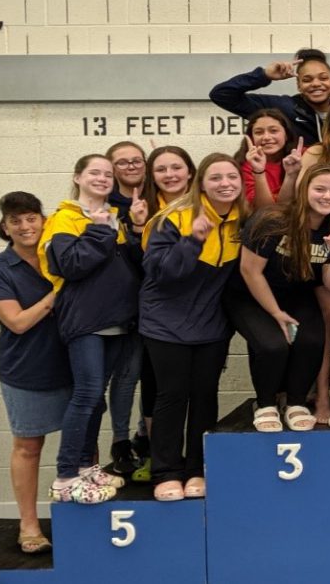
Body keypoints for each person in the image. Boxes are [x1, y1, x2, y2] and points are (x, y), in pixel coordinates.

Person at [140, 153, 246, 500]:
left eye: (231, 177)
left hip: (211, 325)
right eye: (215, 178)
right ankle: (166, 471)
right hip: (165, 322)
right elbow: (163, 273)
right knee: (172, 395)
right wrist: (194, 239)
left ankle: (197, 469)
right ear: (200, 182)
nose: (225, 184)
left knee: (204, 395)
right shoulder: (173, 218)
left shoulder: (242, 220)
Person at [39, 154, 142, 504]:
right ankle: (66, 476)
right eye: (94, 173)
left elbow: (128, 266)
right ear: (78, 177)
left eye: (108, 174)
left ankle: (85, 467)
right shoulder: (64, 219)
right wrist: (98, 230)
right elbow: (70, 265)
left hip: (116, 321)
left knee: (95, 399)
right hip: (85, 321)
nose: (102, 178)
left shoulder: (114, 218)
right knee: (85, 396)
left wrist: (135, 231)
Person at [231, 163, 330, 432]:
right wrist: (275, 313)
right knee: (274, 345)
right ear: (304, 189)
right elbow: (250, 271)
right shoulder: (272, 220)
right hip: (249, 294)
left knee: (312, 340)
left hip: (296, 293)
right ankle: (265, 404)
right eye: (319, 189)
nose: (327, 196)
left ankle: (296, 402)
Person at [0, 193, 71, 553]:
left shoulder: (60, 255)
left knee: (82, 447)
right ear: (5, 228)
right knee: (28, 447)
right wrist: (58, 293)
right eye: (16, 221)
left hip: (74, 364)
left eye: (31, 218)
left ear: (43, 219)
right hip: (26, 370)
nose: (25, 227)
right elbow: (18, 322)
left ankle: (81, 520)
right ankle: (29, 526)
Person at [133, 145, 198, 480]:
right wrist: (135, 228)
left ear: (190, 171)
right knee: (162, 390)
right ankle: (162, 463)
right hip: (159, 314)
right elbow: (147, 267)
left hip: (202, 313)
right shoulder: (143, 211)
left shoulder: (208, 206)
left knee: (199, 392)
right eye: (161, 169)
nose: (170, 175)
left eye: (177, 167)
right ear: (151, 175)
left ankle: (194, 466)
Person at [103, 140, 148, 474]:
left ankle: (144, 437)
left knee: (155, 376)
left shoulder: (162, 198)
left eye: (137, 160)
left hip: (162, 302)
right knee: (127, 375)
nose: (131, 166)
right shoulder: (103, 205)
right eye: (122, 162)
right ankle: (120, 443)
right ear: (111, 168)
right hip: (121, 303)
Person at [210, 47, 330, 143]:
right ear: (299, 85)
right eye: (307, 80)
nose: (316, 84)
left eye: (323, 78)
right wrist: (264, 75)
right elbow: (221, 95)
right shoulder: (284, 108)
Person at [234, 108, 301, 209]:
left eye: (273, 131)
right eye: (259, 132)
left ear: (286, 134)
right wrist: (258, 172)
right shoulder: (245, 165)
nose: (266, 137)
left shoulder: (302, 156)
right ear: (251, 137)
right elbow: (265, 211)